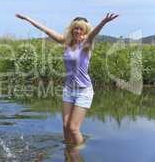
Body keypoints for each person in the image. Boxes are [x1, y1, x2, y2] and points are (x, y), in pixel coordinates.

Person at [15, 13, 119, 146]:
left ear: (85, 30)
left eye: (81, 29)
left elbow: (94, 33)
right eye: (76, 28)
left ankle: (78, 153)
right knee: (65, 125)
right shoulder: (66, 42)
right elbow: (46, 30)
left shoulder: (86, 44)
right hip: (69, 90)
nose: (78, 31)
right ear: (72, 29)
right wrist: (28, 19)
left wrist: (104, 22)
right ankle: (67, 150)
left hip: (83, 91)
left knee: (73, 128)